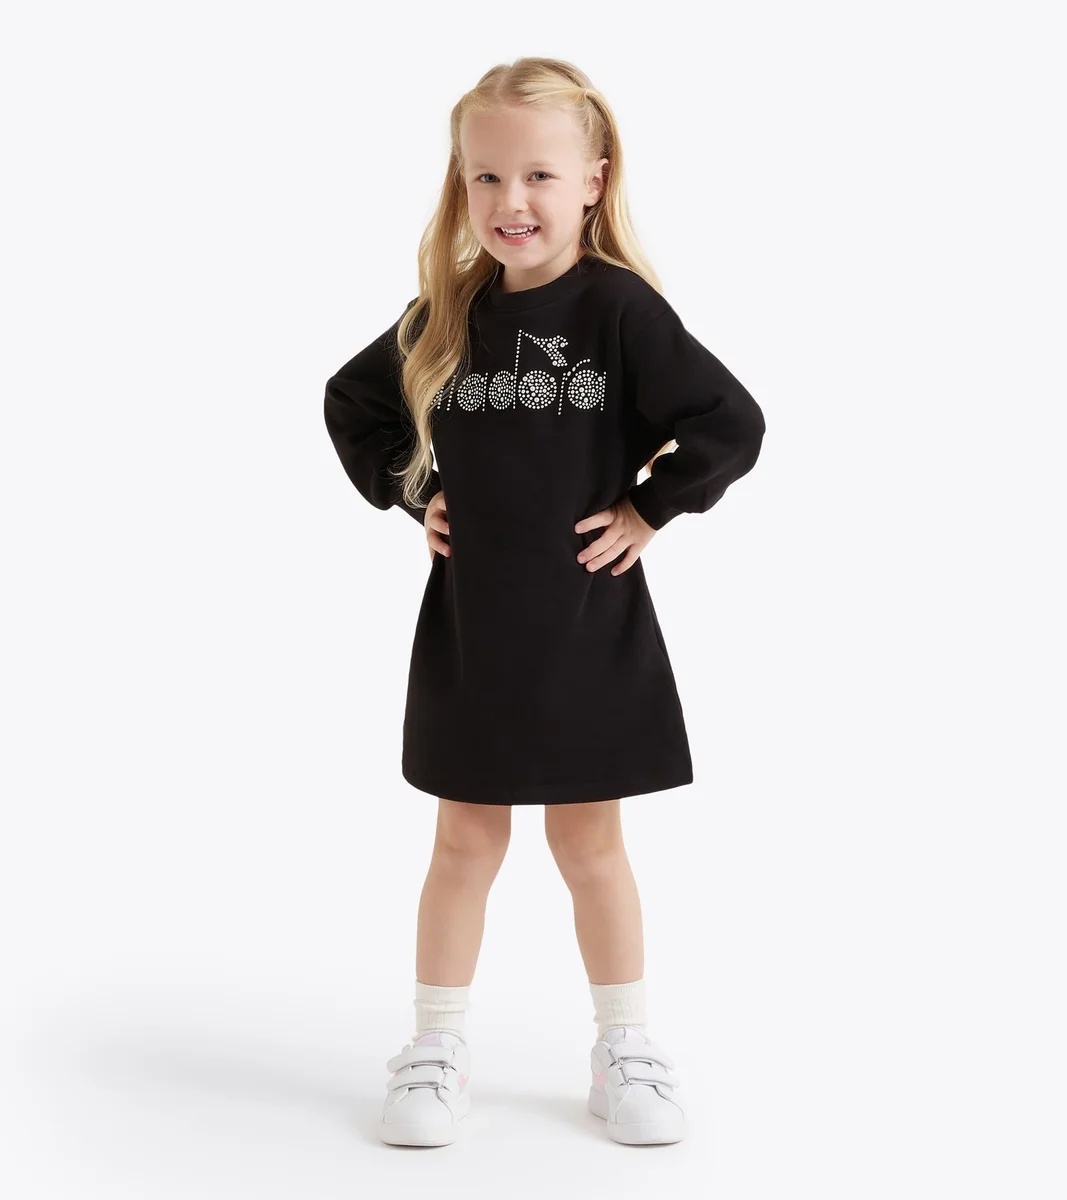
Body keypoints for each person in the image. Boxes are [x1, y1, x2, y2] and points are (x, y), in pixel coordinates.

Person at [323, 57, 766, 1148]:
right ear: (459, 185)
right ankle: (434, 1049)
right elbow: (353, 402)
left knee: (590, 847)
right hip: (473, 631)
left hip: (584, 629)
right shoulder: (448, 311)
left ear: (592, 182)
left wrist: (649, 509)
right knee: (463, 844)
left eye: (536, 175)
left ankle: (624, 1047)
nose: (508, 200)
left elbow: (728, 422)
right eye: (484, 176)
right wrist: (413, 491)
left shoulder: (618, 309)